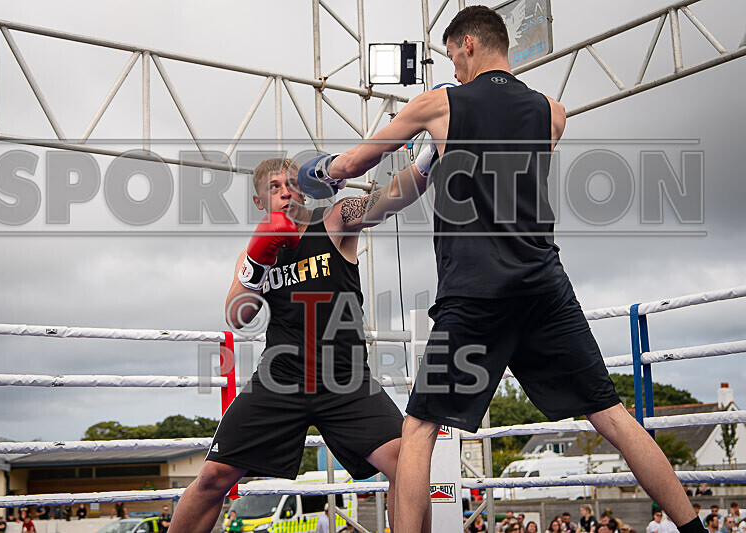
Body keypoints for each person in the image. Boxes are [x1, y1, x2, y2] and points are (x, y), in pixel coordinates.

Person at [299, 5, 712, 533]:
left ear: (469, 43)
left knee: (420, 426)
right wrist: (435, 163)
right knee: (613, 416)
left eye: (452, 56)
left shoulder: (438, 105)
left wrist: (320, 173)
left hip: (474, 293)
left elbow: (356, 163)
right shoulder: (552, 112)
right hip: (543, 286)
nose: (452, 69)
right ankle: (693, 528)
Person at [167, 158, 418, 533]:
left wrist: (427, 164)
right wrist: (259, 258)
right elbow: (237, 316)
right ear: (259, 202)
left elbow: (390, 199)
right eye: (274, 188)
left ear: (305, 188)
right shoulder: (251, 255)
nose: (286, 193)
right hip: (281, 377)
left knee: (407, 463)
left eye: (291, 184)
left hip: (345, 379)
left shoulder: (335, 220)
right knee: (213, 477)